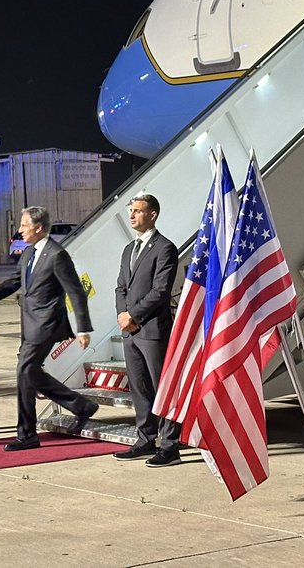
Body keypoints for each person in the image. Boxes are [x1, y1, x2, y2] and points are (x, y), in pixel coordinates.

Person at [0, 206, 97, 451]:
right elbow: (14, 283)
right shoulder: (27, 255)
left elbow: (75, 291)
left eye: (24, 225)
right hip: (28, 323)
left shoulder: (57, 255)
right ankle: (80, 406)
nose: (20, 230)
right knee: (28, 374)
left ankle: (27, 435)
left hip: (47, 324)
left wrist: (83, 328)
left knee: (24, 370)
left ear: (38, 227)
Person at [111, 194, 182, 467]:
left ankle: (170, 445)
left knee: (162, 387)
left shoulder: (164, 248)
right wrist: (122, 315)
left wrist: (134, 315)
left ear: (152, 215)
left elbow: (160, 291)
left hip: (152, 330)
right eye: (131, 211)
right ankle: (145, 438)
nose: (132, 216)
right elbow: (121, 287)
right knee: (140, 388)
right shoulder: (129, 249)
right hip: (130, 330)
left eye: (138, 211)